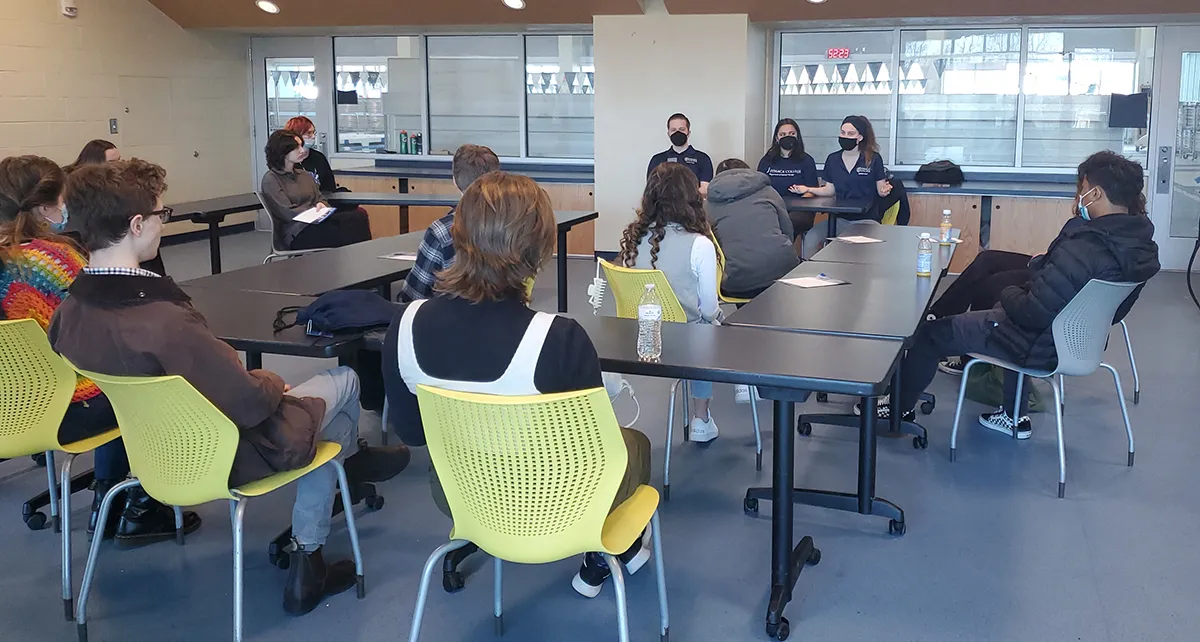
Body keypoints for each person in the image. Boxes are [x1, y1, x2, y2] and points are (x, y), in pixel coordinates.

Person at [50, 159, 412, 616]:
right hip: (227, 452)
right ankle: (311, 550)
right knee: (345, 380)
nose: (165, 223)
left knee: (327, 416)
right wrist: (270, 378)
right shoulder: (167, 322)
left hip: (152, 456)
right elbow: (248, 403)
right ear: (137, 224)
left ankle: (349, 468)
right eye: (163, 214)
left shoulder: (68, 315)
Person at [382, 171, 654, 599]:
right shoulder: (558, 338)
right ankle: (605, 554)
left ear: (458, 233)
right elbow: (595, 454)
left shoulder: (404, 324)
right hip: (559, 505)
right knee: (633, 443)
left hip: (461, 497)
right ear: (540, 249)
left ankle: (618, 548)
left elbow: (412, 433)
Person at [879, 151, 1160, 439]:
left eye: (1083, 189)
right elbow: (1114, 311)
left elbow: (1031, 313)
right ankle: (1013, 417)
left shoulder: (1085, 247)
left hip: (1036, 343)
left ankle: (897, 411)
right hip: (1082, 342)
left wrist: (1009, 292)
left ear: (1097, 193)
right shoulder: (1140, 247)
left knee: (930, 335)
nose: (1079, 196)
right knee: (1007, 300)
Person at [0, 155, 197, 546]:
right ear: (44, 208)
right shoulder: (57, 260)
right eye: (62, 202)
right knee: (141, 377)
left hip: (13, 408)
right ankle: (128, 503)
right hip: (68, 407)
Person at [619, 162, 723, 442]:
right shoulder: (700, 244)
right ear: (692, 197)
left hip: (639, 335)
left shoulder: (633, 238)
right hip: (684, 343)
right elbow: (709, 309)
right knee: (708, 324)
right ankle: (701, 418)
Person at [398, 144, 500, 302]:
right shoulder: (513, 223)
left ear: (454, 180)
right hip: (506, 317)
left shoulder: (442, 231)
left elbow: (414, 295)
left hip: (451, 320)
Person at [803, 115, 906, 257]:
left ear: (860, 137)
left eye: (851, 134)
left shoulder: (873, 159)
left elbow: (881, 190)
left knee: (856, 251)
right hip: (839, 220)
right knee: (811, 238)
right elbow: (829, 189)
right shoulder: (833, 159)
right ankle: (810, 275)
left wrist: (885, 190)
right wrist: (808, 189)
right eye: (842, 133)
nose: (845, 137)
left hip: (866, 220)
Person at [64, 139, 167, 277]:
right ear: (136, 225)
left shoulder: (73, 295)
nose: (119, 166)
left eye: (120, 160)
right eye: (113, 163)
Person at [260, 130, 372, 251]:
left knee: (357, 217)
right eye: (296, 148)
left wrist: (322, 205)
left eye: (301, 146)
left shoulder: (303, 175)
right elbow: (287, 212)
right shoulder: (271, 179)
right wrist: (314, 212)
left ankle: (361, 256)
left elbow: (320, 197)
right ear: (283, 152)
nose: (302, 151)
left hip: (318, 220)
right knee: (340, 231)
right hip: (296, 230)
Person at [707, 158, 798, 299]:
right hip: (783, 271)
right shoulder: (769, 192)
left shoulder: (709, 204)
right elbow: (788, 231)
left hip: (738, 281)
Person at [756, 118, 820, 254]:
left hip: (800, 211)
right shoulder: (767, 160)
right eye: (783, 134)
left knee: (787, 224)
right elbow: (759, 187)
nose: (787, 137)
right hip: (772, 208)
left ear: (797, 136)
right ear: (777, 138)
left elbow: (813, 190)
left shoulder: (806, 161)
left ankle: (784, 257)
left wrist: (802, 197)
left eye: (791, 134)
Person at [647, 113, 713, 197]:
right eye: (673, 130)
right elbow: (651, 190)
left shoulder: (702, 158)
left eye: (681, 129)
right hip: (664, 207)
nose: (677, 133)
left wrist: (684, 199)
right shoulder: (657, 159)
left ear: (688, 133)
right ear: (668, 134)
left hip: (692, 207)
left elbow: (705, 188)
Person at [284, 116, 341, 193]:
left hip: (322, 200)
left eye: (314, 133)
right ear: (296, 136)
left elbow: (330, 187)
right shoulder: (288, 160)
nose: (313, 136)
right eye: (309, 133)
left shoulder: (318, 157)